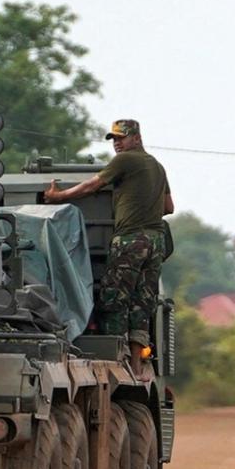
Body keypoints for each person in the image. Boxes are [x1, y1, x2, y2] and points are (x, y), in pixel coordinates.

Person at [44, 119, 173, 376]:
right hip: (155, 241)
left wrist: (59, 197)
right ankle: (136, 364)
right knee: (142, 302)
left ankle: (117, 362)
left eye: (121, 138)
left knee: (114, 299)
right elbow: (169, 208)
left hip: (130, 239)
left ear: (136, 138)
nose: (116, 143)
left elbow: (93, 185)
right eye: (113, 139)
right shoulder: (157, 166)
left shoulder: (125, 160)